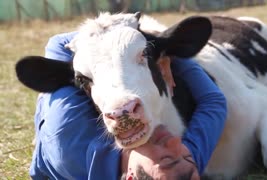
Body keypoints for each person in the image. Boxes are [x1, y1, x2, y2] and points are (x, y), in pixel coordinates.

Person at [29, 31, 227, 180]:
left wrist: (120, 29)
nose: (176, 143)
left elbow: (60, 44)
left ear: (131, 176)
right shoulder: (182, 167)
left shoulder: (68, 140)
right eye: (189, 158)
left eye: (166, 159)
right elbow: (214, 103)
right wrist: (167, 56)